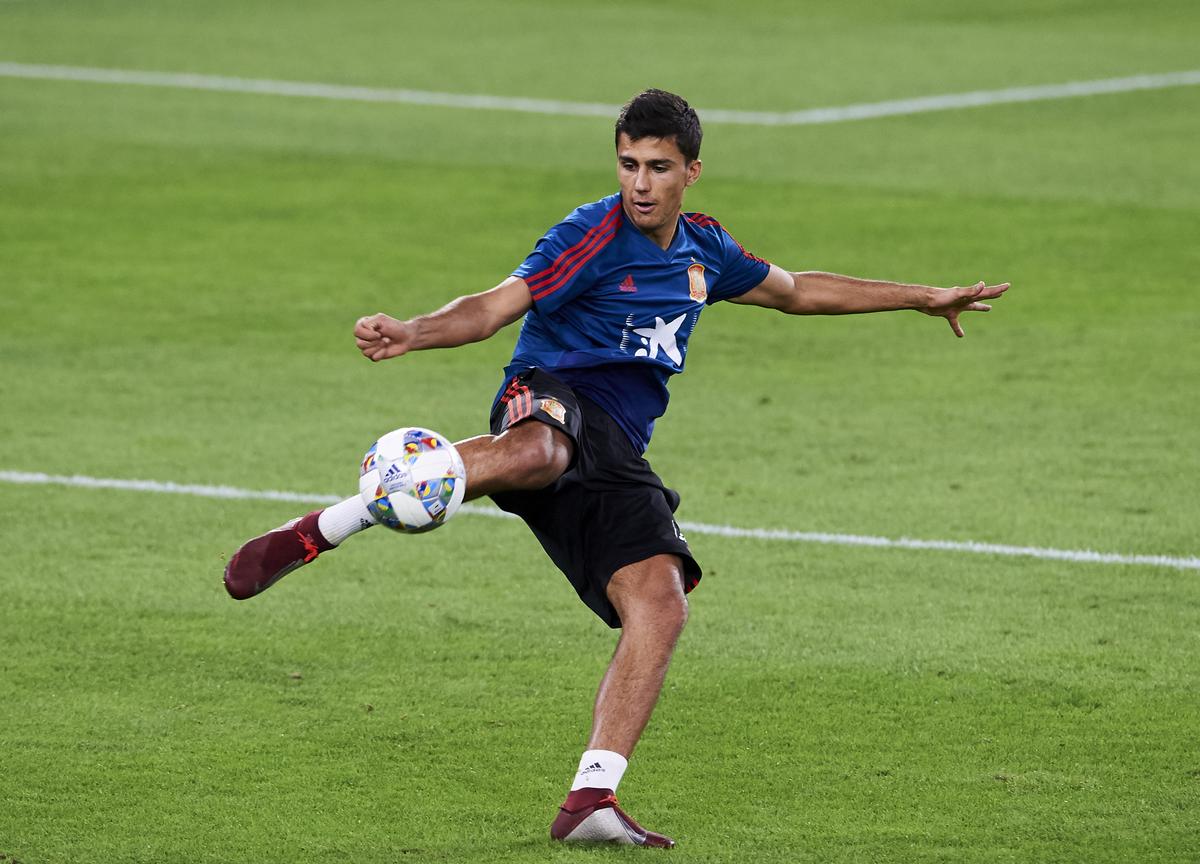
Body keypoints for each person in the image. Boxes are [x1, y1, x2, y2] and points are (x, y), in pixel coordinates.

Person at [224, 88, 1008, 848]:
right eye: (629, 164)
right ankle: (332, 523)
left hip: (618, 452)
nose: (639, 183)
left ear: (690, 170)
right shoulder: (589, 235)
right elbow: (498, 305)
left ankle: (592, 797)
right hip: (548, 396)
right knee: (541, 448)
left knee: (662, 604)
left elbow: (799, 291)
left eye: (658, 167)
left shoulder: (705, 249)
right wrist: (414, 331)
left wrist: (921, 297)